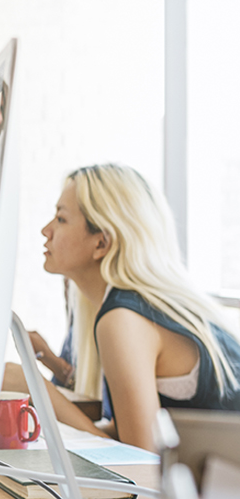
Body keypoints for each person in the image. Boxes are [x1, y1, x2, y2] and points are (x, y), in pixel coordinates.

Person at [13, 163, 240, 450]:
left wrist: (33, 386)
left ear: (101, 243)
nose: (46, 230)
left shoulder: (123, 318)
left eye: (60, 219)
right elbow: (127, 432)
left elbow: (140, 462)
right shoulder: (133, 307)